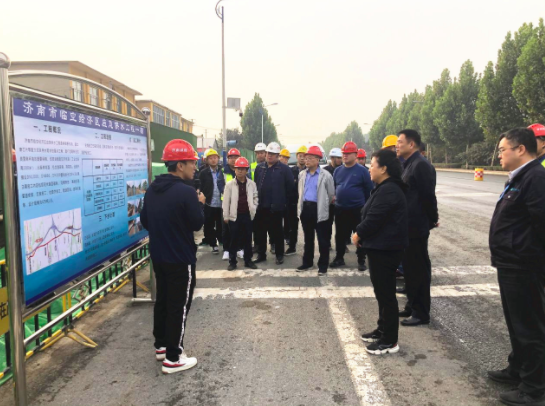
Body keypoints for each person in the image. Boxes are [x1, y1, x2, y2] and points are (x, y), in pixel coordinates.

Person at [487, 127, 545, 406]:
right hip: (511, 264)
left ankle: (534, 388)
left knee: (529, 327)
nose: (499, 155)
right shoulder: (520, 177)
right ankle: (518, 368)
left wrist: (532, 259)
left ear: (520, 149)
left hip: (524, 266)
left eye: (502, 150)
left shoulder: (535, 178)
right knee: (516, 323)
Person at [140, 139, 205, 374]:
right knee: (179, 306)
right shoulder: (187, 192)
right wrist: (200, 203)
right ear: (180, 165)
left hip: (159, 256)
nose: (195, 167)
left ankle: (161, 346)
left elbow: (145, 221)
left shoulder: (152, 189)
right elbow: (197, 224)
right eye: (192, 163)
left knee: (164, 301)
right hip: (180, 258)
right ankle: (173, 357)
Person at [353, 149, 408, 355]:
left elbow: (374, 218)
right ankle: (382, 328)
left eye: (373, 164)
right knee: (381, 292)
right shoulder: (384, 187)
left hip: (386, 249)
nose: (369, 168)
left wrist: (358, 233)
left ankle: (389, 340)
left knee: (386, 295)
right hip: (380, 247)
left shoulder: (390, 190)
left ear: (383, 169)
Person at [396, 129, 438, 327]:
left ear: (411, 144)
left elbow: (428, 196)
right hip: (407, 226)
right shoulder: (408, 164)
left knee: (419, 270)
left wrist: (432, 219)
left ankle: (421, 312)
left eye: (400, 142)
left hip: (416, 227)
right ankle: (411, 305)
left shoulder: (421, 165)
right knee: (410, 270)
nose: (397, 145)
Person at [330, 141, 374, 271]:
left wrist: (365, 208)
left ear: (355, 155)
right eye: (343, 153)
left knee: (359, 234)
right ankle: (339, 258)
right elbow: (335, 187)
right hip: (340, 209)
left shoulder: (363, 171)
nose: (345, 156)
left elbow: (368, 191)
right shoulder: (338, 171)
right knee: (340, 235)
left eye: (348, 153)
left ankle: (361, 259)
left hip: (357, 209)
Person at [296, 146, 335, 275]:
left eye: (310, 158)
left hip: (319, 209)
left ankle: (323, 265)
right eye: (306, 158)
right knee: (308, 238)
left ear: (318, 159)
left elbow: (331, 194)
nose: (306, 160)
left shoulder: (326, 175)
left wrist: (323, 205)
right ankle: (307, 262)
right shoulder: (302, 174)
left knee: (323, 239)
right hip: (306, 209)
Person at [254, 142, 294, 265]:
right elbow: (256, 185)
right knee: (260, 232)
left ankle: (279, 255)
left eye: (272, 154)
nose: (269, 156)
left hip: (276, 208)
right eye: (268, 153)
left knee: (277, 233)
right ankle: (261, 254)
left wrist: (286, 204)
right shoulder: (260, 168)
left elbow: (290, 189)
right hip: (261, 207)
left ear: (277, 155)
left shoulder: (284, 169)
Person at [222, 157, 259, 271]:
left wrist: (253, 207)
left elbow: (255, 197)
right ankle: (232, 262)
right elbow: (226, 201)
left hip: (247, 215)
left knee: (248, 239)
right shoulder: (229, 185)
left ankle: (248, 260)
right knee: (234, 239)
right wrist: (226, 216)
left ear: (247, 170)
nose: (240, 171)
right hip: (234, 216)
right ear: (235, 170)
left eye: (243, 169)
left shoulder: (252, 184)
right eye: (238, 169)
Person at [198, 149, 224, 254]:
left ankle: (222, 240)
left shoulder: (222, 171)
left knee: (221, 224)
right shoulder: (203, 173)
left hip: (221, 203)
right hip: (209, 202)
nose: (213, 160)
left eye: (215, 158)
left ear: (218, 158)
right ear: (207, 160)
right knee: (209, 225)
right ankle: (213, 244)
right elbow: (200, 186)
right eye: (211, 158)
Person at [222, 148, 244, 261]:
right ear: (228, 159)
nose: (233, 159)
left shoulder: (243, 169)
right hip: (227, 203)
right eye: (231, 157)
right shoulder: (223, 171)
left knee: (239, 228)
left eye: (236, 157)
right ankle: (226, 250)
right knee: (226, 228)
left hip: (239, 204)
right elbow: (220, 185)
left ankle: (239, 248)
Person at [285, 145, 308, 256]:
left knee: (307, 227)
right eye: (300, 156)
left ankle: (308, 248)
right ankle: (292, 246)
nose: (302, 158)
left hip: (306, 203)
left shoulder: (310, 171)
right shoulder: (291, 171)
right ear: (297, 157)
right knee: (292, 226)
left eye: (304, 156)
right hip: (293, 202)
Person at [324, 147, 343, 249]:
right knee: (328, 224)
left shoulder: (344, 169)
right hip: (329, 203)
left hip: (341, 203)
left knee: (341, 225)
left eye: (340, 158)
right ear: (332, 158)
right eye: (338, 158)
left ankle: (342, 244)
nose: (340, 160)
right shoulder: (325, 171)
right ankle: (328, 243)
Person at [251, 142, 267, 253]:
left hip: (265, 199)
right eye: (258, 153)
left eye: (262, 153)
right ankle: (257, 245)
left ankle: (273, 244)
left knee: (269, 224)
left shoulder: (269, 166)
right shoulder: (252, 166)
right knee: (256, 225)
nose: (260, 155)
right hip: (254, 198)